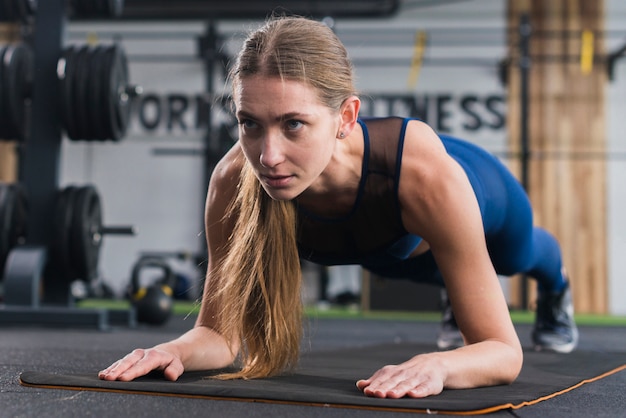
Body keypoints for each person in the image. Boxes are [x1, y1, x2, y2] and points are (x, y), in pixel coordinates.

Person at [99, 16, 578, 399]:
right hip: (397, 252)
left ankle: (557, 290)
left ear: (345, 117)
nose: (268, 156)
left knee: (516, 257)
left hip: (479, 193)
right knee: (431, 271)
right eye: (250, 124)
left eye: (293, 125)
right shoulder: (233, 182)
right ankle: (455, 292)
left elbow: (502, 352)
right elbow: (220, 337)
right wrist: (173, 349)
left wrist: (439, 366)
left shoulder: (422, 177)